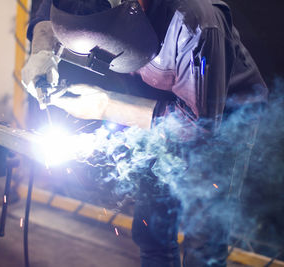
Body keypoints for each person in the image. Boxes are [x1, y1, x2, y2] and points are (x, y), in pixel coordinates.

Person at [22, 0, 268, 266]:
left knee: (204, 243)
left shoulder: (195, 25)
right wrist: (43, 49)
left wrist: (106, 106)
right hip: (153, 106)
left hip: (223, 120)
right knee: (152, 231)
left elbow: (199, 127)